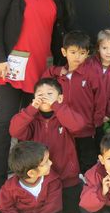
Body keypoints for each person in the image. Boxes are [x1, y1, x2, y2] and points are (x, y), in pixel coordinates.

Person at [0, 0, 73, 207]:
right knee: (4, 124)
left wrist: (61, 67)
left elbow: (55, 34)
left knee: (29, 127)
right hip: (10, 66)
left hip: (37, 70)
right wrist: (0, 58)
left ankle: (25, 180)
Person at [9, 78, 85, 213]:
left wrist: (56, 106)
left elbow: (78, 126)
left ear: (60, 98)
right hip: (41, 179)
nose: (45, 97)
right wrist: (31, 110)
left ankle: (79, 186)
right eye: (40, 94)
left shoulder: (64, 114)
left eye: (50, 94)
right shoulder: (30, 117)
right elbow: (14, 131)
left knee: (72, 212)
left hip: (66, 177)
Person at [43, 30, 106, 173]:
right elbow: (43, 81)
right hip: (64, 127)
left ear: (87, 54)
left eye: (82, 53)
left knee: (88, 159)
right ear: (64, 52)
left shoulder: (91, 73)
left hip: (86, 128)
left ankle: (89, 183)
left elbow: (101, 98)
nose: (77, 57)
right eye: (73, 52)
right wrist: (56, 71)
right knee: (69, 158)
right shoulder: (60, 75)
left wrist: (97, 121)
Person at [89, 29, 110, 134]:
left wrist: (109, 113)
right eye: (104, 48)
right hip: (86, 111)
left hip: (102, 114)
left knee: (99, 136)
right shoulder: (89, 64)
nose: (108, 52)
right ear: (98, 48)